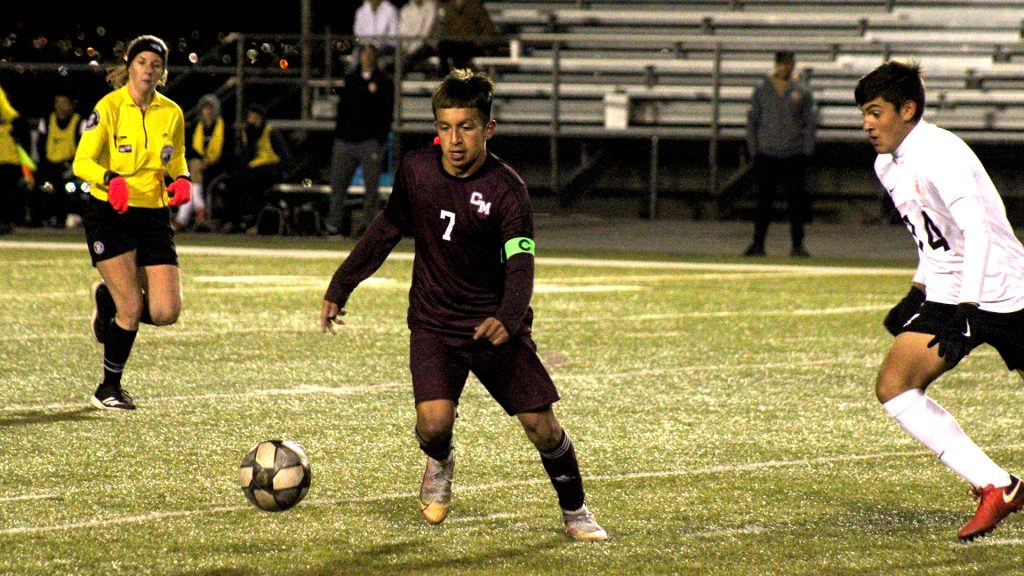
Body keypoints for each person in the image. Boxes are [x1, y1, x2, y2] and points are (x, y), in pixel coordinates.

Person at [319, 69, 607, 542]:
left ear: (488, 128)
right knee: (433, 425)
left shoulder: (506, 189)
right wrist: (341, 284)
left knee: (541, 426)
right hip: (434, 323)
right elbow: (385, 231)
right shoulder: (417, 171)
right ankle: (440, 459)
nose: (454, 139)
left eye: (466, 127)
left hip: (494, 325)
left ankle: (576, 510)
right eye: (445, 127)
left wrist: (507, 317)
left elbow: (521, 265)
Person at [857, 60, 1024, 541]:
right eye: (864, 113)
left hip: (1005, 291)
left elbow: (976, 231)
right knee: (895, 386)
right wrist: (918, 288)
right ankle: (998, 485)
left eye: (875, 112)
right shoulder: (887, 164)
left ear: (908, 110)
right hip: (952, 294)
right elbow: (935, 239)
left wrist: (969, 309)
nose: (867, 124)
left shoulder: (940, 153)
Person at [72, 34, 191, 410]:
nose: (148, 70)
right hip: (110, 212)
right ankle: (108, 388)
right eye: (141, 62)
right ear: (129, 65)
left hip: (153, 214)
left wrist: (181, 178)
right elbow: (81, 162)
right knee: (132, 309)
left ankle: (107, 297)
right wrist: (110, 179)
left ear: (163, 71)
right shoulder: (109, 107)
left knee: (166, 312)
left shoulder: (171, 112)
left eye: (155, 65)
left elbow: (176, 155)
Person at [743, 50, 817, 258]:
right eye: (782, 63)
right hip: (767, 153)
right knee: (763, 202)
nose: (785, 67)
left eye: (788, 63)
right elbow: (752, 121)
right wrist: (754, 150)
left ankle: (797, 245)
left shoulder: (802, 90)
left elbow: (810, 123)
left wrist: (806, 150)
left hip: (793, 153)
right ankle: (758, 243)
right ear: (776, 65)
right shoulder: (762, 89)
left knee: (796, 203)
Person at [325, 42, 394, 237]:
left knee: (371, 188)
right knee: (338, 185)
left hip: (369, 142)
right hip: (346, 140)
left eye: (370, 54)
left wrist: (379, 139)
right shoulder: (351, 79)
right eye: (364, 53)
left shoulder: (383, 81)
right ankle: (334, 225)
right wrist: (339, 134)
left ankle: (369, 228)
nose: (367, 57)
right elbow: (342, 109)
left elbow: (386, 112)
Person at [220, 102, 293, 233]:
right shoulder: (247, 134)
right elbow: (245, 159)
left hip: (271, 169)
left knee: (255, 185)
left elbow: (286, 158)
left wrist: (277, 169)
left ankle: (255, 222)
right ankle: (234, 221)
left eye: (255, 118)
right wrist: (250, 142)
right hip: (253, 169)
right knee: (232, 182)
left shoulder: (271, 132)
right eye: (250, 117)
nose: (252, 121)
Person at [173, 93, 225, 232]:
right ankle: (199, 209)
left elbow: (223, 152)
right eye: (205, 108)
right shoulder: (196, 127)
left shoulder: (223, 127)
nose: (208, 111)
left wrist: (208, 161)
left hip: (217, 166)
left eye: (211, 108)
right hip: (198, 166)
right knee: (192, 169)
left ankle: (182, 219)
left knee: (191, 171)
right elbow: (191, 151)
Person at [31, 92, 83, 228]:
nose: (60, 107)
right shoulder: (47, 121)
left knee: (60, 183)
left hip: (70, 166)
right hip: (50, 165)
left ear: (72, 105)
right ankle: (35, 219)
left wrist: (71, 163)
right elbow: (40, 146)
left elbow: (83, 148)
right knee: (35, 182)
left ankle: (61, 219)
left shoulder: (79, 122)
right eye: (58, 103)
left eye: (64, 103)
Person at [0, 82, 31, 234]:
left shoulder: (16, 123)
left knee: (9, 195)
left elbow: (25, 145)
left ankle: (9, 222)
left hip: (12, 164)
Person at [436, 0, 496, 75]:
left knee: (457, 50)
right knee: (443, 45)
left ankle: (458, 74)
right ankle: (444, 73)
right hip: (453, 43)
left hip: (470, 43)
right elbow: (443, 28)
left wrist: (479, 42)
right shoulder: (447, 7)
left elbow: (488, 29)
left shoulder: (476, 7)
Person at [398, 0, 438, 74]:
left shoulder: (431, 7)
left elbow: (426, 33)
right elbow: (403, 33)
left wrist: (411, 49)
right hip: (408, 48)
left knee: (413, 56)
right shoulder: (406, 9)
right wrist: (406, 48)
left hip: (427, 46)